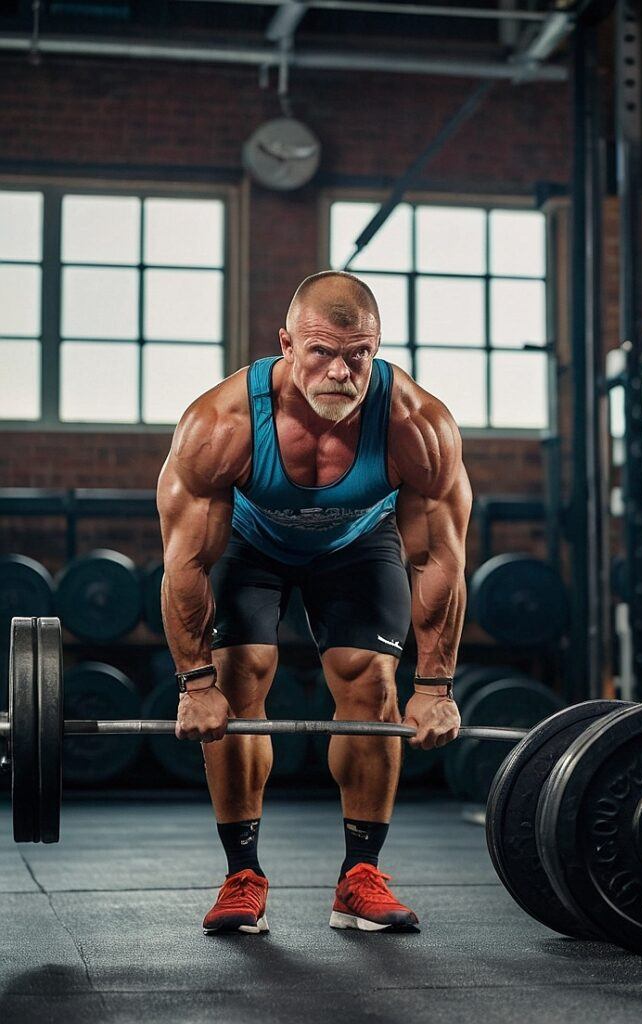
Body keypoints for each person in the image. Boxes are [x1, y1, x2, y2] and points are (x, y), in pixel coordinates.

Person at [156, 270, 471, 935]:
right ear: (286, 345)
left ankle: (360, 878)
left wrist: (436, 683)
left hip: (358, 544)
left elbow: (438, 559)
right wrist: (195, 682)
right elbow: (186, 563)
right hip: (251, 541)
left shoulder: (417, 424)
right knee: (238, 681)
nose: (339, 371)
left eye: (358, 355)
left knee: (372, 684)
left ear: (376, 350)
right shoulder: (222, 423)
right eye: (321, 352)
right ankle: (243, 878)